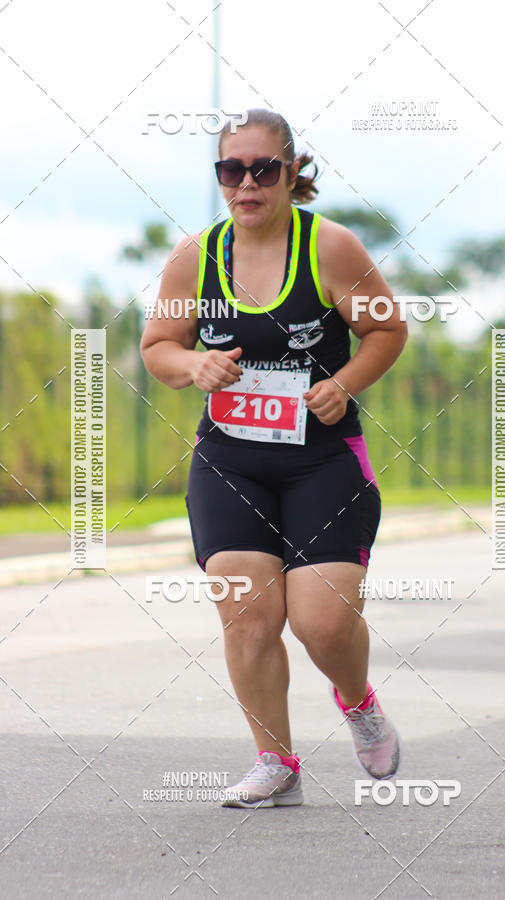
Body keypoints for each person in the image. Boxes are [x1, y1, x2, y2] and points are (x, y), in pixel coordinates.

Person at [141, 108, 408, 808]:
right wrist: (193, 365)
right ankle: (275, 761)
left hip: (323, 460)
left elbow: (386, 330)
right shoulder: (196, 256)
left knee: (321, 622)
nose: (248, 183)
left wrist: (342, 384)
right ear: (221, 178)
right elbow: (157, 347)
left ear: (293, 174)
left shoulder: (332, 248)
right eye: (233, 170)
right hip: (231, 461)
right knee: (248, 612)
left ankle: (358, 703)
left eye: (265, 169)